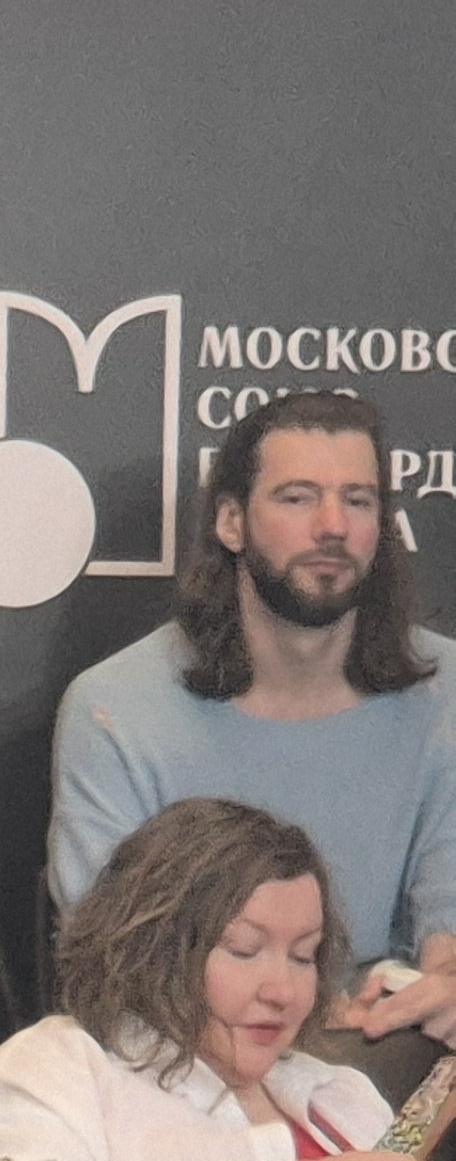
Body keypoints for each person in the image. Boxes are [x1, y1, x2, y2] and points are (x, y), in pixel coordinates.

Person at [46, 392, 456, 1035]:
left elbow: (448, 917)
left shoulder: (446, 694)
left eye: (358, 501)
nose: (333, 526)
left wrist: (443, 986)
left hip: (394, 1047)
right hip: (190, 1054)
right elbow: (115, 961)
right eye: (297, 498)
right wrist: (290, 1026)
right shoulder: (116, 709)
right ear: (231, 522)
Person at [0, 796, 452, 1161]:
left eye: (302, 956)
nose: (283, 991)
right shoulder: (60, 1064)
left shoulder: (342, 1097)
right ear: (154, 949)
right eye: (244, 950)